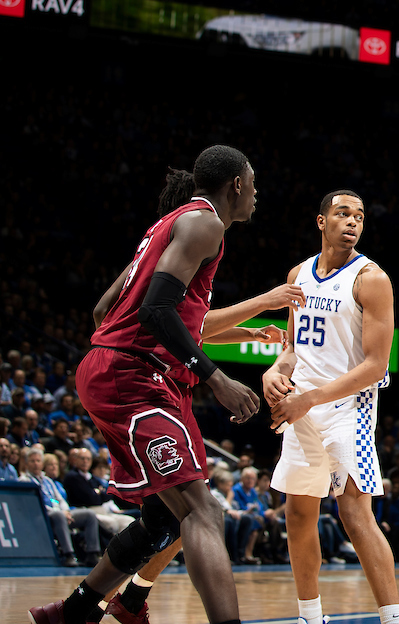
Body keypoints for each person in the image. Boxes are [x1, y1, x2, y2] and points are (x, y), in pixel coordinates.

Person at [30, 145, 262, 624]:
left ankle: (76, 611)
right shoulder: (205, 224)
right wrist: (215, 378)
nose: (257, 193)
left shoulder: (167, 225)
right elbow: (156, 311)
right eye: (253, 182)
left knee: (164, 517)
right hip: (133, 377)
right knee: (204, 513)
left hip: (125, 372)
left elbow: (102, 310)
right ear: (236, 184)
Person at [263, 190, 399, 624]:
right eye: (343, 213)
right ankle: (310, 617)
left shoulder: (372, 279)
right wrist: (276, 371)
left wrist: (309, 398)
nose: (353, 222)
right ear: (321, 221)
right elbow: (292, 347)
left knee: (354, 513)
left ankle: (393, 618)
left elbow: (375, 365)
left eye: (360, 216)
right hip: (301, 407)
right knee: (298, 512)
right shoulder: (298, 274)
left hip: (349, 409)